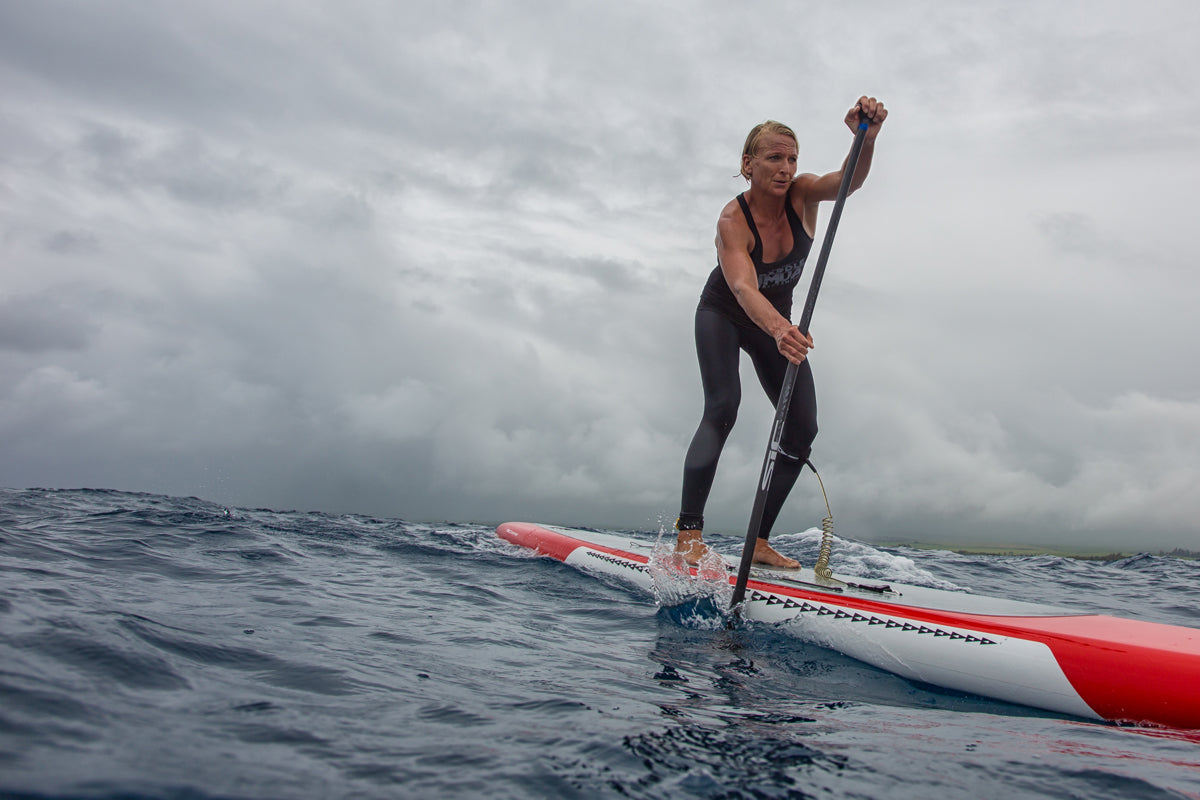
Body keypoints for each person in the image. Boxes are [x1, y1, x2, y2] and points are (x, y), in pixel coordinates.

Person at [675, 96, 887, 569]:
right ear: (747, 164)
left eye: (792, 158)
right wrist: (780, 328)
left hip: (777, 326)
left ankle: (758, 539)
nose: (786, 167)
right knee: (723, 406)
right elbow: (741, 285)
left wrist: (865, 141)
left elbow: (846, 182)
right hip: (726, 315)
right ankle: (688, 534)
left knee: (801, 429)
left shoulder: (803, 196)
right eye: (774, 157)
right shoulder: (733, 220)